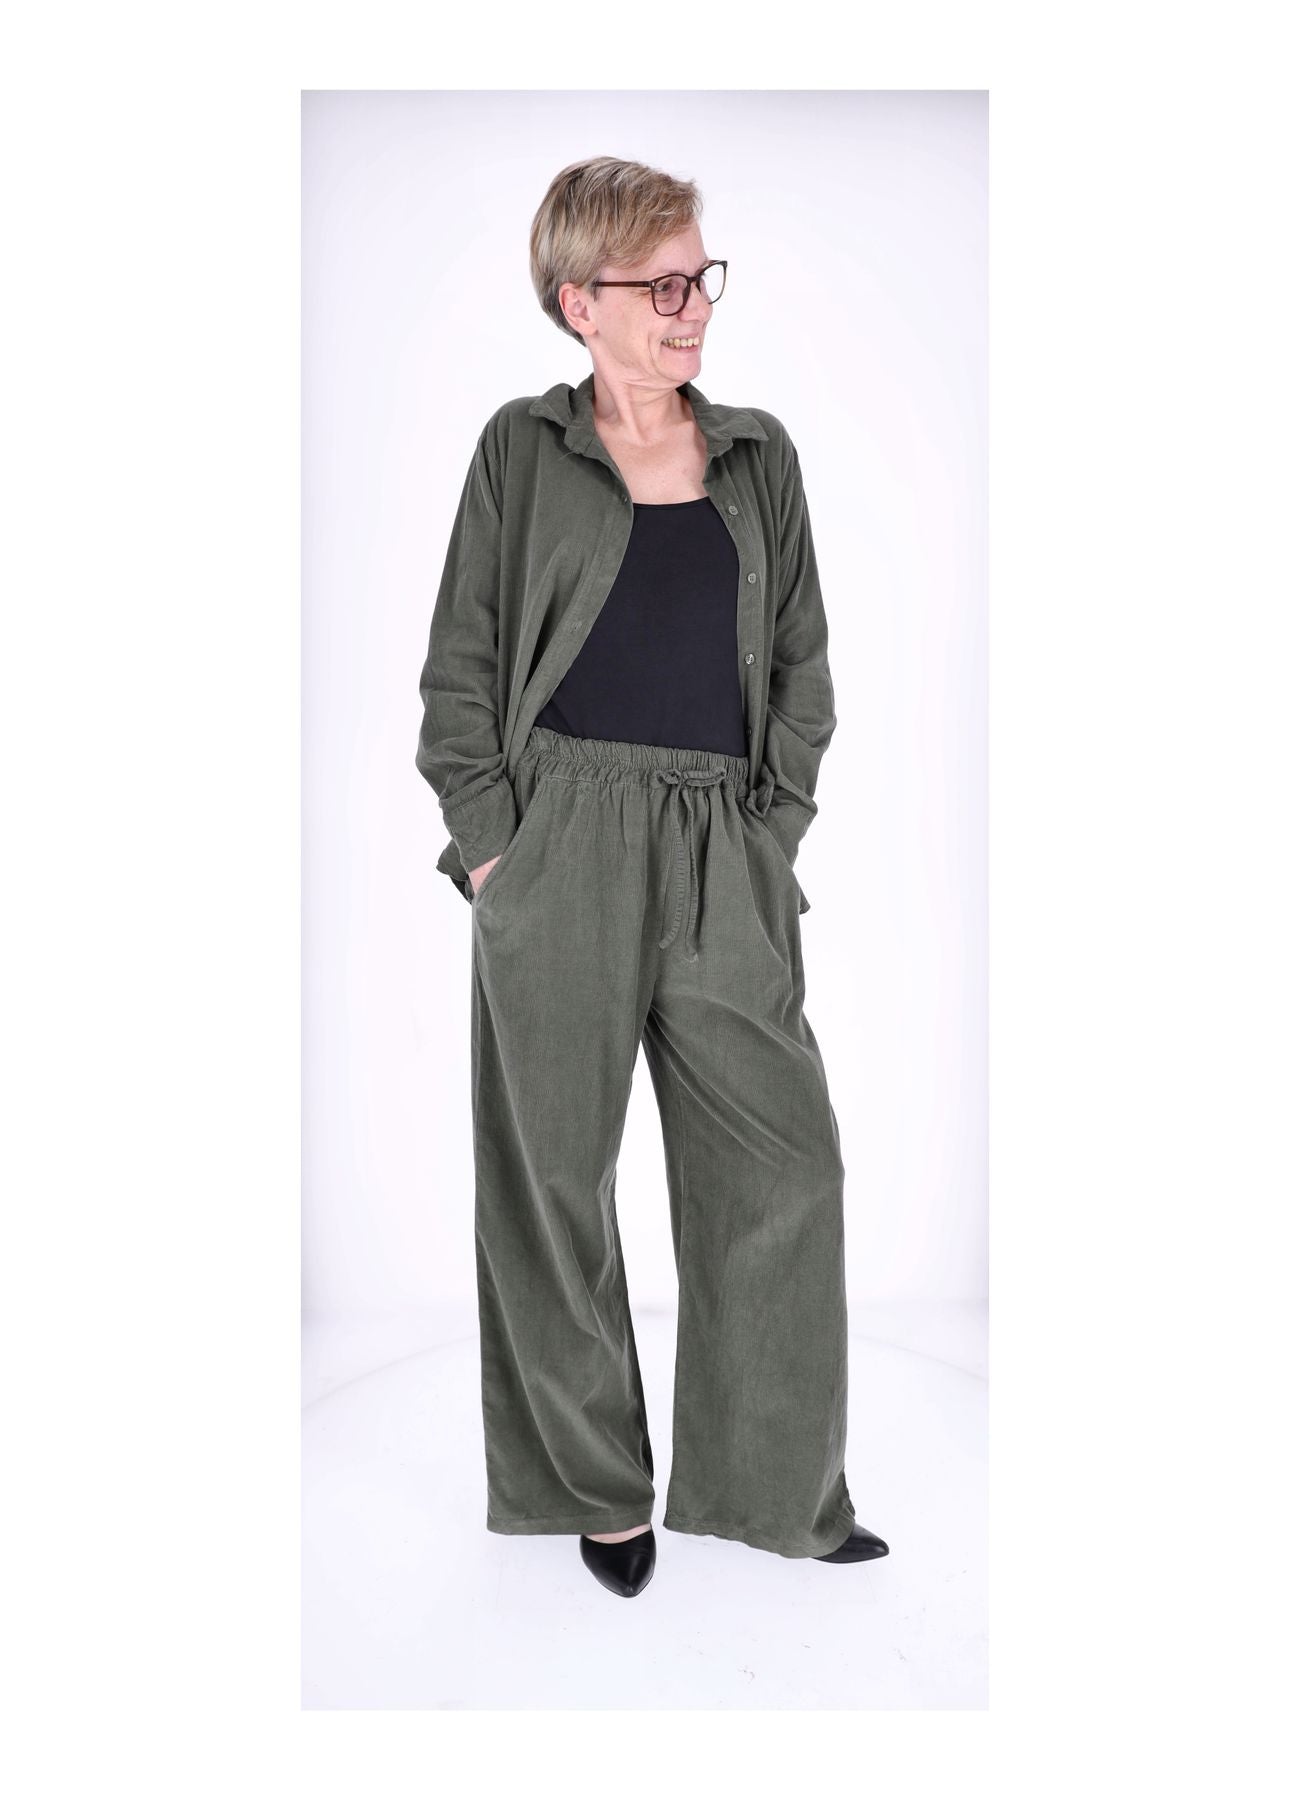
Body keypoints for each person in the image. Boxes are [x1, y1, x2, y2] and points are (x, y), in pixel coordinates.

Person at [415, 155, 889, 1599]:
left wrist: (769, 829)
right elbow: (459, 671)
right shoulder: (520, 450)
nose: (693, 307)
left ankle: (772, 1485)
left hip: (720, 843)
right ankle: (593, 1486)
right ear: (581, 302)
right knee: (552, 1182)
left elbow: (802, 664)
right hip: (557, 837)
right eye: (662, 284)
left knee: (784, 1167)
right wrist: (496, 848)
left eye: (701, 278)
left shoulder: (757, 454)